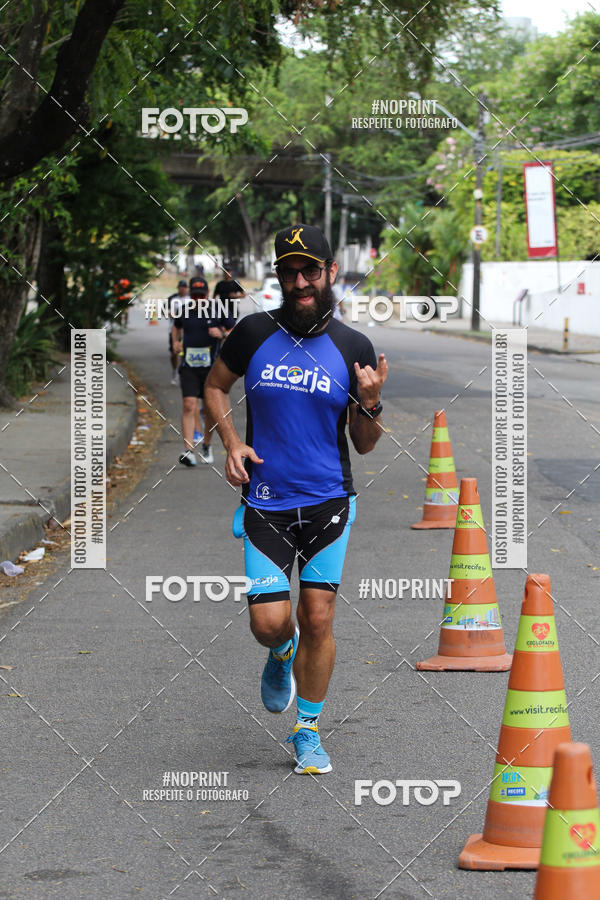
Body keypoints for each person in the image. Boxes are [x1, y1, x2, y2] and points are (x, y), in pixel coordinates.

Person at [205, 224, 388, 774]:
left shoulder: (354, 347)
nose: (301, 282)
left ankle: (307, 732)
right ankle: (280, 653)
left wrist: (373, 404)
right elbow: (215, 385)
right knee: (268, 623)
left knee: (319, 616)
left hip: (330, 502)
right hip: (266, 500)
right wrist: (232, 441)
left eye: (311, 270)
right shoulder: (253, 333)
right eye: (290, 272)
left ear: (332, 273)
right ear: (279, 277)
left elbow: (363, 443)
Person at [171, 276, 228, 467]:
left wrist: (222, 334)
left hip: (211, 369)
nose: (198, 300)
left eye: (201, 296)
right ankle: (188, 451)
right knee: (189, 404)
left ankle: (206, 444)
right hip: (188, 367)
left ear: (207, 294)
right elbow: (176, 327)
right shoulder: (184, 311)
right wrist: (175, 342)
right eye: (194, 296)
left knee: (210, 409)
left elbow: (234, 330)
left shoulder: (218, 311)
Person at [168, 279, 188, 385]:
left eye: (184, 287)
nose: (182, 289)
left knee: (183, 353)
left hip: (186, 331)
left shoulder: (190, 299)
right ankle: (175, 371)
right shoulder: (173, 299)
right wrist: (171, 313)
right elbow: (164, 310)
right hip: (174, 329)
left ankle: (181, 373)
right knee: (173, 353)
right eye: (181, 287)